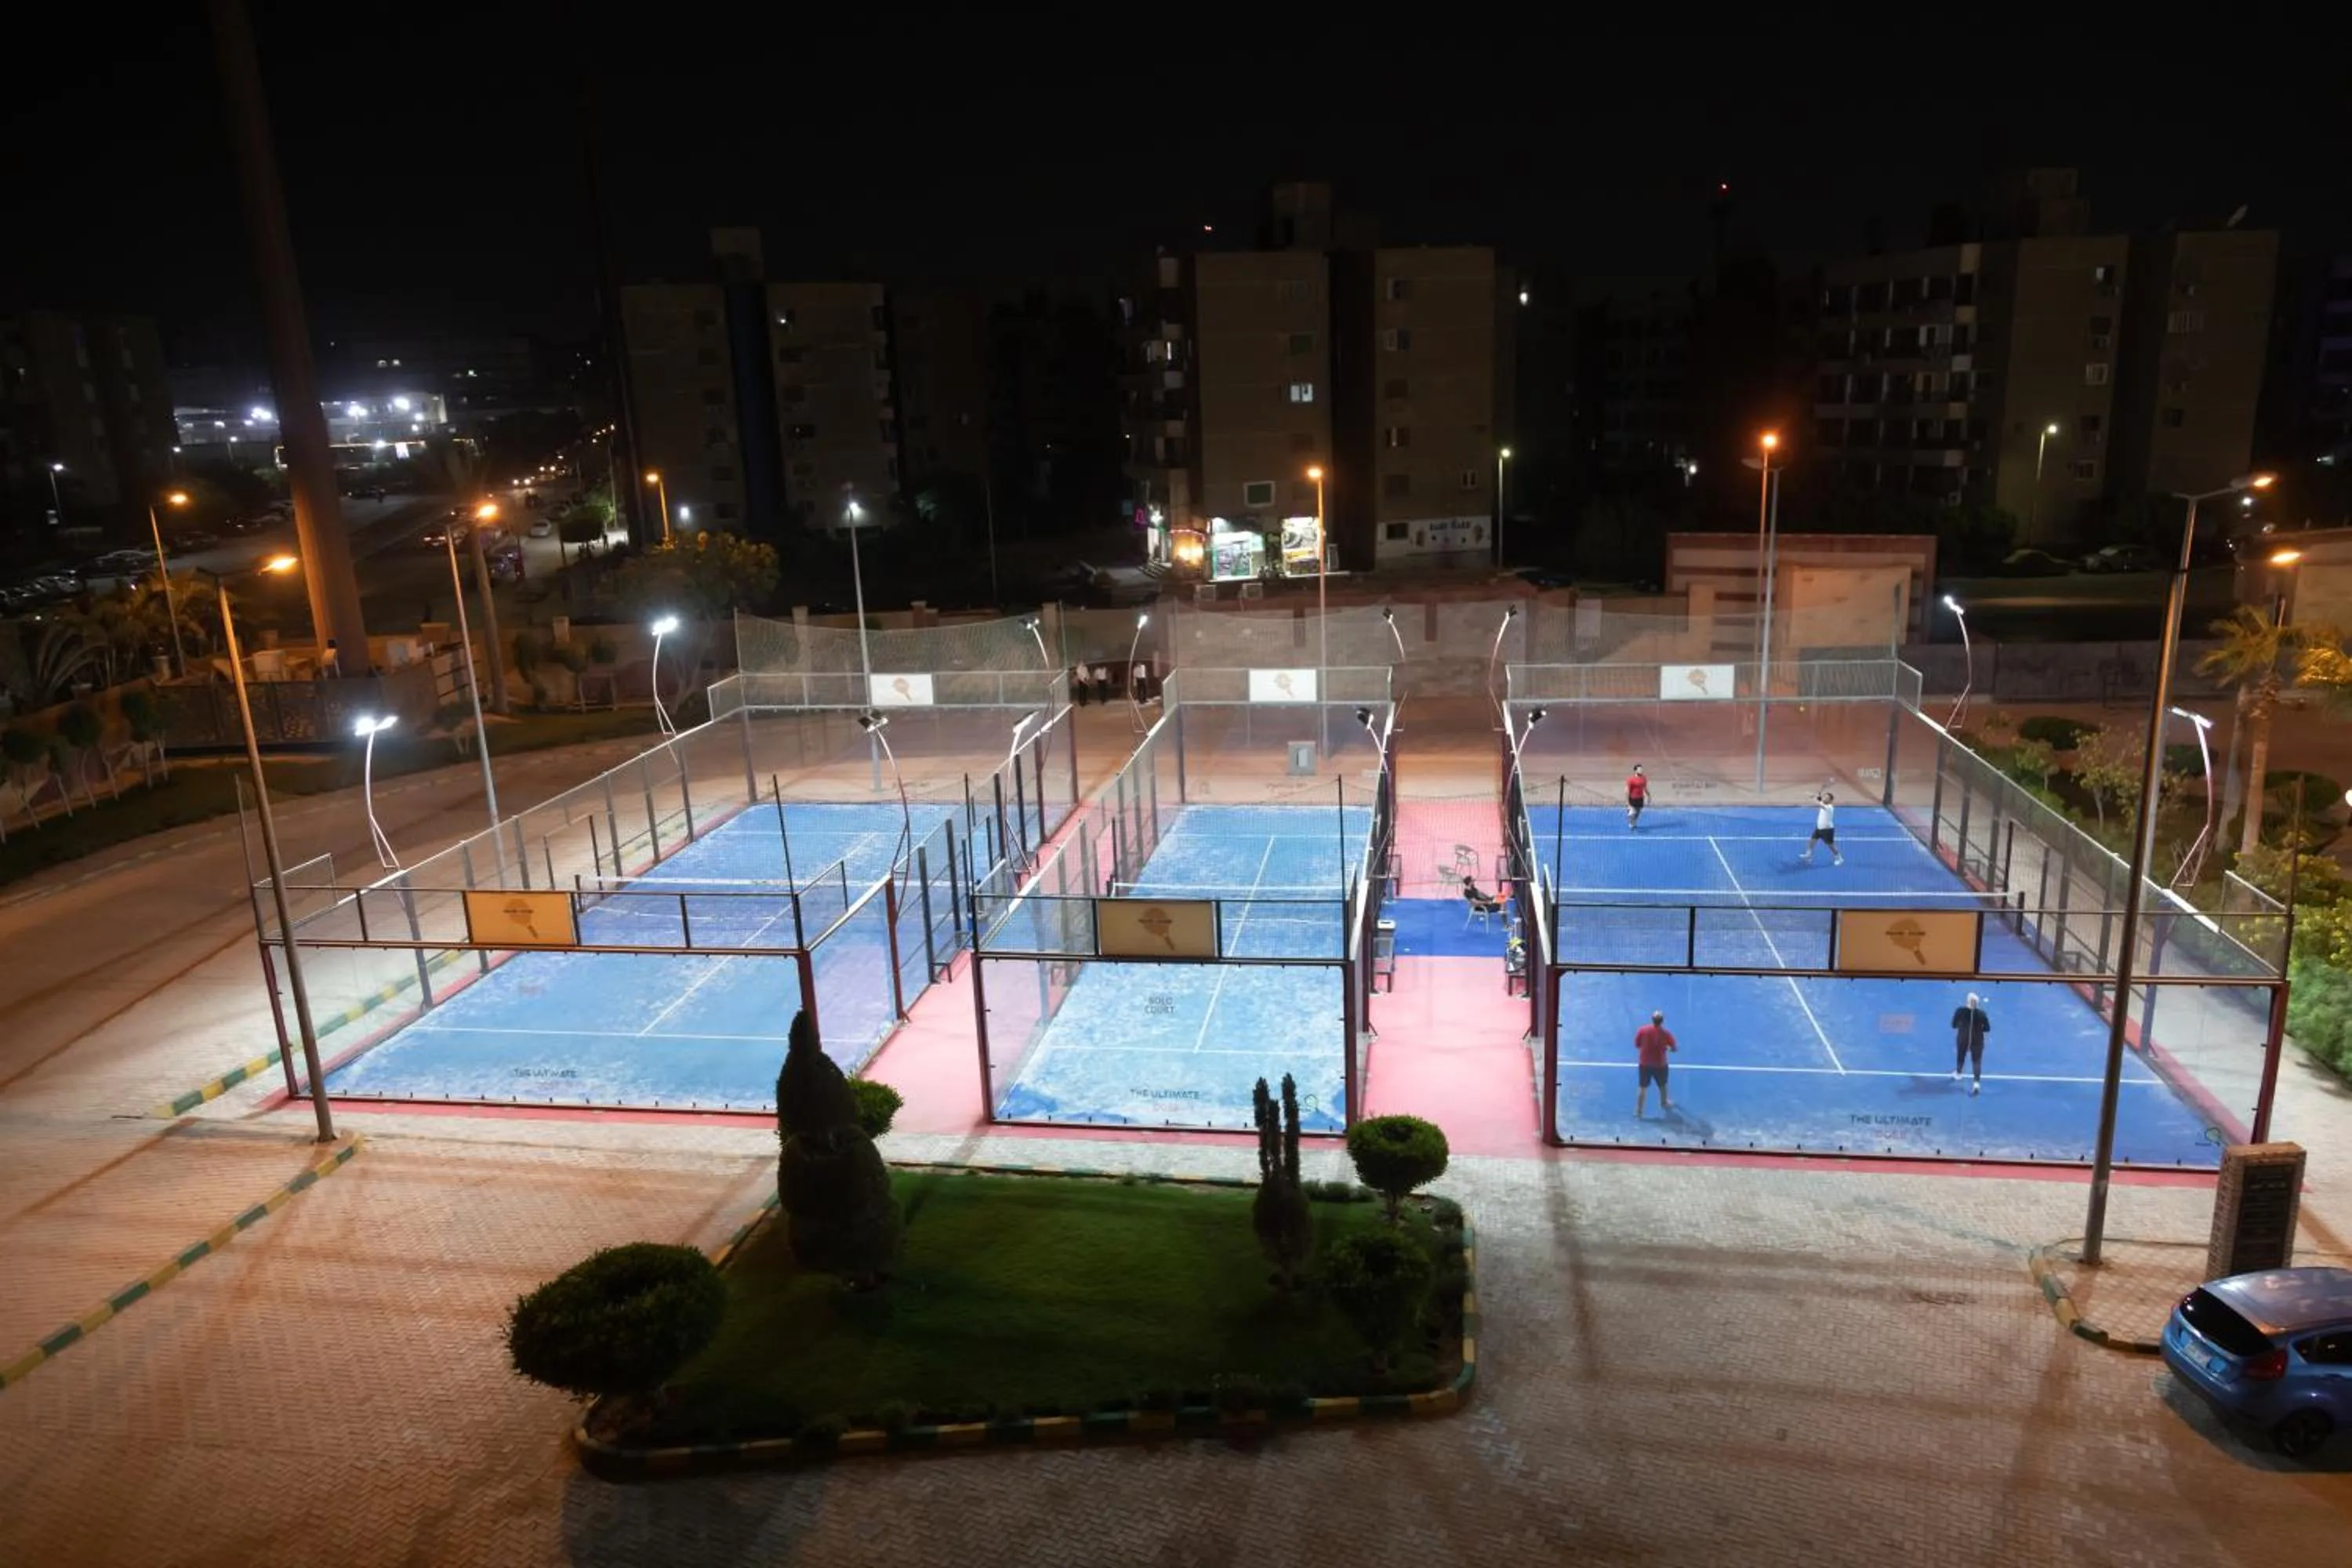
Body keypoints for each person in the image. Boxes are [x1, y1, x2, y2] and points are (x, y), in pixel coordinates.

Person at [1635, 1009, 1677, 1118]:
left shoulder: (1642, 1030)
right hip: (1660, 1065)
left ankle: (1639, 1111)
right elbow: (1674, 1048)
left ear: (1652, 1020)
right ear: (1662, 1021)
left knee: (1642, 1087)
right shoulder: (1666, 1034)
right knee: (1663, 1085)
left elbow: (1637, 1044)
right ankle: (1664, 1102)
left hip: (1644, 1064)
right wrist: (1667, 1048)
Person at [1951, 993, 1991, 1095]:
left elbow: (1953, 1025)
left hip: (1963, 1039)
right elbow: (1987, 1028)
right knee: (1976, 1062)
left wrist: (1962, 1026)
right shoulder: (1982, 1014)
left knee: (1961, 1056)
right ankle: (1976, 1083)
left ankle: (1959, 1073)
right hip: (1977, 1040)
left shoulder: (1960, 1011)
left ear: (1967, 1001)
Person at [1800, 788, 1843, 866]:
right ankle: (1808, 855)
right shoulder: (1824, 804)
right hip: (1819, 828)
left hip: (1827, 830)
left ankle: (1839, 858)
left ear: (1830, 801)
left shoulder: (1829, 807)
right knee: (1812, 841)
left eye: (1827, 798)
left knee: (1831, 845)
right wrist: (1818, 797)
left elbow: (1819, 803)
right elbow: (1820, 801)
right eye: (1824, 797)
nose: (1825, 798)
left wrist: (1813, 797)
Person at [1626, 764, 1649, 829]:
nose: (1641, 771)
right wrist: (1627, 802)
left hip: (1640, 798)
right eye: (1639, 769)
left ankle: (1633, 821)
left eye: (1642, 769)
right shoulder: (1631, 780)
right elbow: (1627, 791)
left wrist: (1648, 795)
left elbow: (1645, 788)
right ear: (1635, 771)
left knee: (1638, 812)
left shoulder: (1644, 778)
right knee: (1633, 812)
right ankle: (1631, 818)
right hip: (1633, 798)